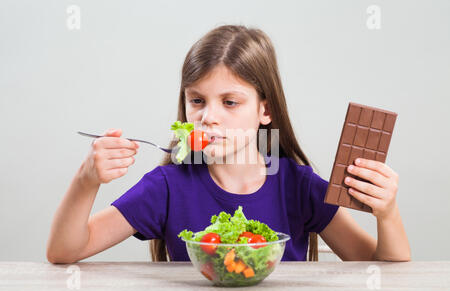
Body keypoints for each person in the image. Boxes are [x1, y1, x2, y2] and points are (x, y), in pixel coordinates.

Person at [46, 25, 410, 264]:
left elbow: (384, 269)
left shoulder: (299, 186)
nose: (208, 117)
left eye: (230, 102)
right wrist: (86, 179)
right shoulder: (169, 187)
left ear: (264, 110)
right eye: (197, 101)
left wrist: (388, 214)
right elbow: (65, 251)